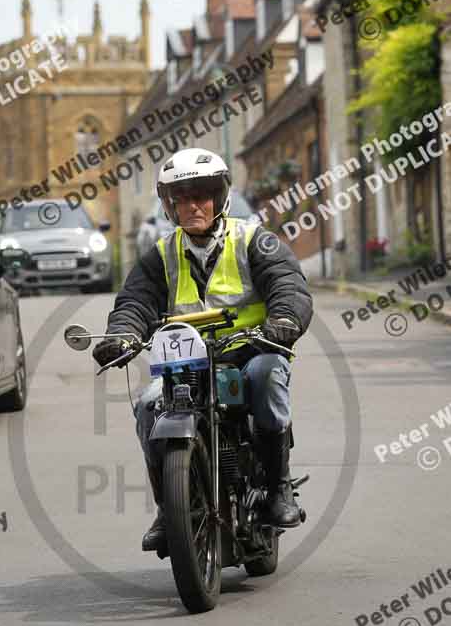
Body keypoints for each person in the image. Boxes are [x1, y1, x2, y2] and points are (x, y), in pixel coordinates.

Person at [93, 148, 313, 552]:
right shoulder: (161, 254)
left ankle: (279, 487)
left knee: (267, 376)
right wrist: (121, 336)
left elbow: (287, 285)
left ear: (220, 197)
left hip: (250, 351)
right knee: (147, 404)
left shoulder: (254, 241)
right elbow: (135, 303)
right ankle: (169, 509)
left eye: (203, 195)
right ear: (170, 205)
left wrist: (283, 322)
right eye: (182, 198)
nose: (193, 205)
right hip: (184, 363)